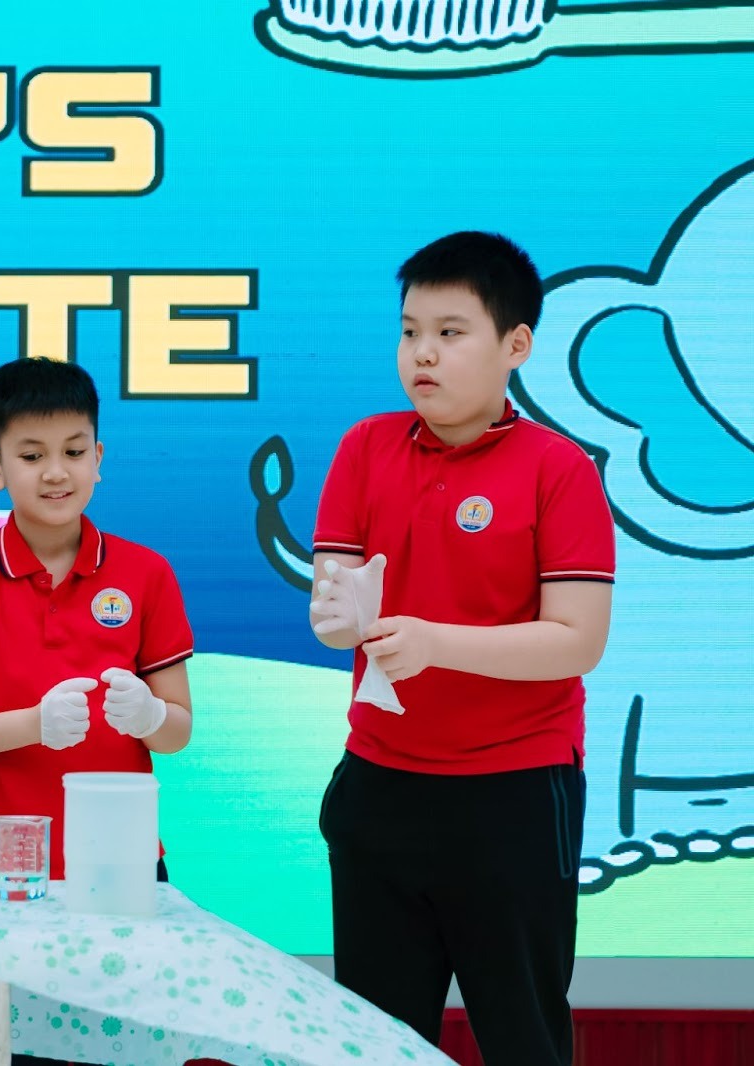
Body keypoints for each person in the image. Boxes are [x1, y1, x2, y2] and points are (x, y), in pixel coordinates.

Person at [309, 231, 615, 1066]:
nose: (423, 354)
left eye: (450, 332)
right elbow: (331, 613)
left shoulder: (559, 469)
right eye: (410, 331)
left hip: (513, 793)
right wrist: (340, 619)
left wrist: (434, 642)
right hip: (380, 784)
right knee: (374, 1045)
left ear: (516, 345)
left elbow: (577, 640)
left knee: (523, 1037)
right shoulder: (364, 447)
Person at [0, 356, 195, 1064]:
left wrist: (150, 718)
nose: (56, 472)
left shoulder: (147, 573)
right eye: (31, 455)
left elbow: (180, 730)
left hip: (122, 872)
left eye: (73, 451)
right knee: (11, 1051)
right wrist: (31, 725)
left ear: (99, 458)